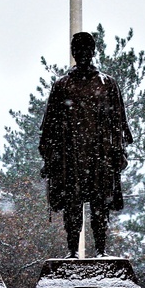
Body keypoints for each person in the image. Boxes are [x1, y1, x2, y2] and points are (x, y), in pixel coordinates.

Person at [39, 32, 133, 258]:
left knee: (100, 205)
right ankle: (72, 250)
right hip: (71, 156)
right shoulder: (62, 85)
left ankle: (101, 249)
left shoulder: (107, 83)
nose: (82, 54)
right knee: (73, 205)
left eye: (86, 49)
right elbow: (49, 125)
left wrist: (118, 151)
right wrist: (49, 157)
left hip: (100, 155)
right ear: (73, 53)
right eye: (78, 50)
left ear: (93, 52)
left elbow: (118, 122)